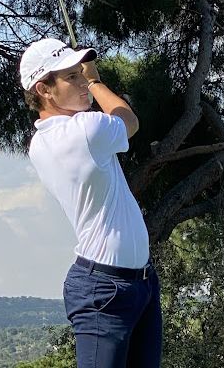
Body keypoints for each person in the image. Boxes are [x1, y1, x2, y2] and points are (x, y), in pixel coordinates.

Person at [19, 38, 162, 368]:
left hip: (138, 281)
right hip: (106, 290)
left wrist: (84, 82)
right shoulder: (85, 130)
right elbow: (129, 121)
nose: (82, 82)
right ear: (44, 89)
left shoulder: (42, 142)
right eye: (72, 77)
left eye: (81, 74)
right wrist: (97, 82)